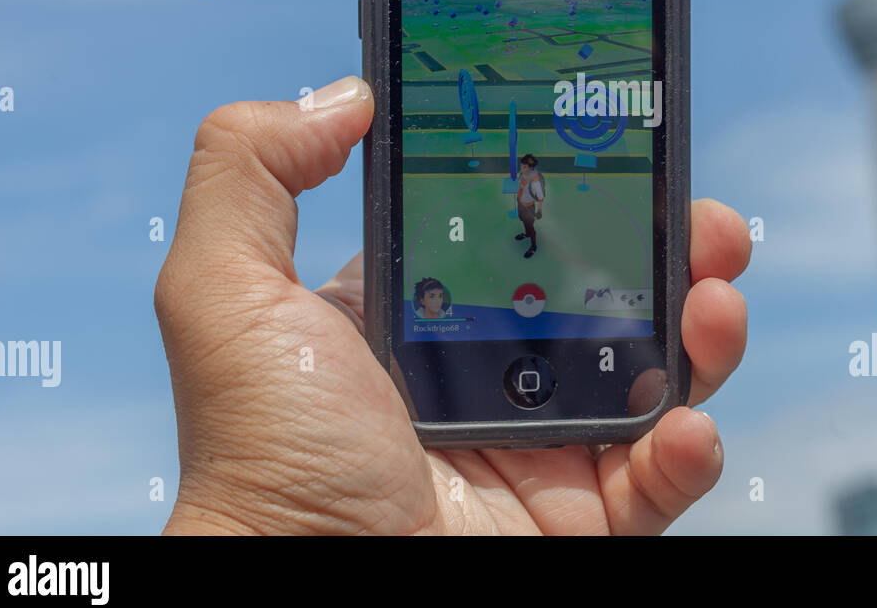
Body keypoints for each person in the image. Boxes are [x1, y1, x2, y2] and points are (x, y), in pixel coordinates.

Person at [154, 76, 751, 535]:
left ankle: (530, 239)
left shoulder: (530, 183)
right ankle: (529, 240)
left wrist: (256, 519)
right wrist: (263, 516)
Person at [513, 153, 545, 258]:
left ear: (530, 168)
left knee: (530, 226)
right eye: (521, 166)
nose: (522, 168)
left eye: (524, 167)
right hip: (521, 202)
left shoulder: (535, 182)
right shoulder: (523, 174)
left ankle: (533, 246)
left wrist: (539, 210)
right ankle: (526, 233)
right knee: (523, 220)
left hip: (528, 207)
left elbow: (540, 197)